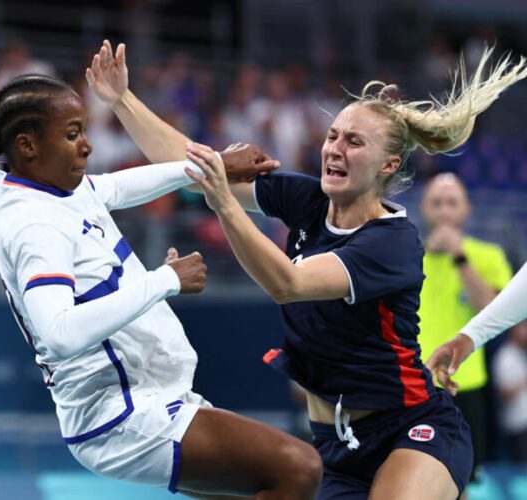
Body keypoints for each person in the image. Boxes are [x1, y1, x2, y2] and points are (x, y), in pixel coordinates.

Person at [86, 39, 527, 499]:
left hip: (412, 427)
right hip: (335, 448)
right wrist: (122, 100)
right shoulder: (308, 200)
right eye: (333, 135)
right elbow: (193, 164)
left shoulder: (391, 243)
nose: (335, 148)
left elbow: (288, 283)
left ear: (388, 164)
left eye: (354, 142)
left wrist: (221, 200)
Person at [0, 73, 322, 498]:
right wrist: (165, 280)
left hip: (144, 395)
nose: (87, 145)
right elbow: (60, 333)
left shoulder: (50, 185)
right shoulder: (33, 224)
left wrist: (211, 165)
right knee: (299, 468)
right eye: (73, 134)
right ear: (27, 145)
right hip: (118, 415)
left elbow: (112, 188)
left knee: (264, 482)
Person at [416, 172, 512, 483]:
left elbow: (494, 311)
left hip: (466, 384)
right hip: (416, 386)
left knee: (465, 480)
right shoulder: (407, 257)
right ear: (424, 208)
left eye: (452, 203)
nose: (444, 211)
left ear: (466, 209)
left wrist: (459, 256)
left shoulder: (488, 256)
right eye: (437, 203)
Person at [491, 320, 527, 463]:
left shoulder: (522, 354)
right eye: (524, 327)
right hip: (517, 425)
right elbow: (503, 395)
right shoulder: (504, 356)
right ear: (514, 329)